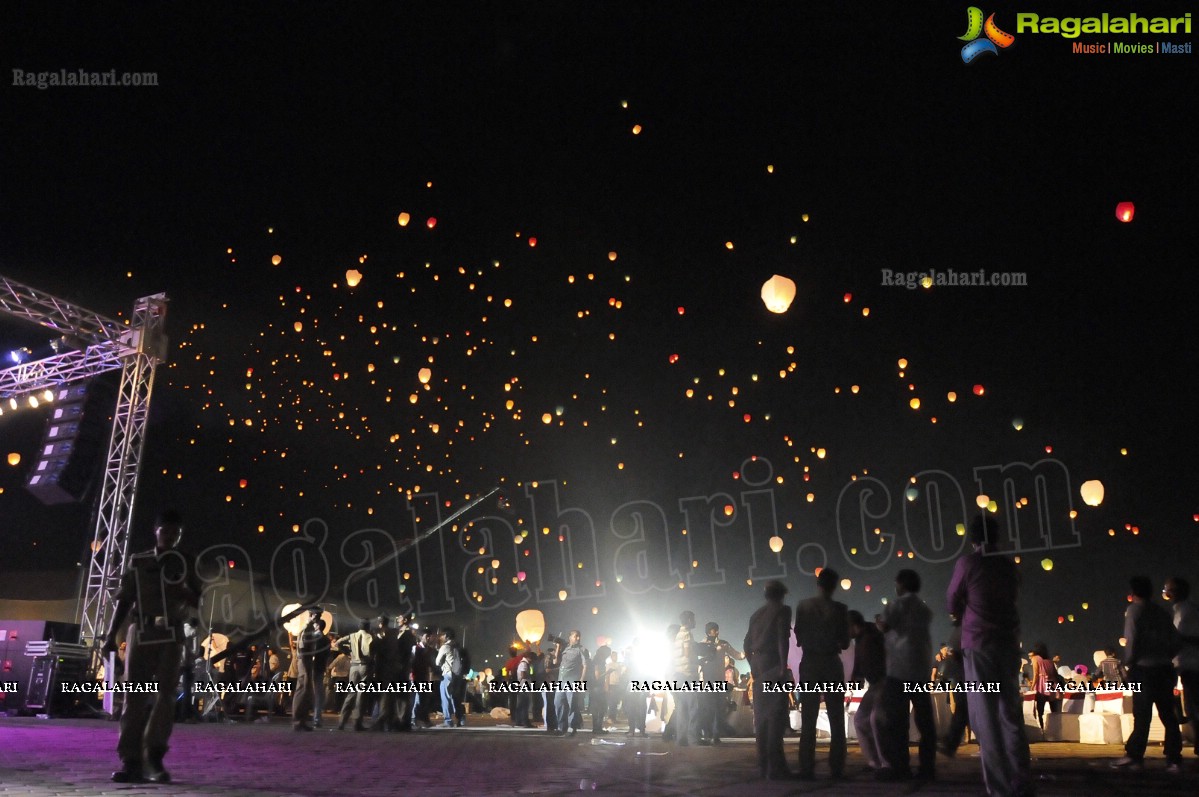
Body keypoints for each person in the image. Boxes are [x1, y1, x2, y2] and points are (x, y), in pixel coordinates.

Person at [101, 510, 201, 784]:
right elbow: (124, 599)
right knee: (134, 694)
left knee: (165, 696)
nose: (170, 537)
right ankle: (130, 760)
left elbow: (200, 599)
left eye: (175, 534)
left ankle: (154, 756)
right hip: (141, 629)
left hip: (171, 631)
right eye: (165, 531)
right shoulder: (139, 561)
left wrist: (186, 594)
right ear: (156, 531)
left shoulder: (185, 562)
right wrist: (110, 635)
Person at [947, 514, 1032, 797]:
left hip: (979, 644)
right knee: (1010, 713)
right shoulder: (1008, 565)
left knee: (986, 716)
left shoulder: (968, 563)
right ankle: (1021, 780)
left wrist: (961, 610)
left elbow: (951, 598)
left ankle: (999, 787)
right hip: (1007, 644)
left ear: (971, 537)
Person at [1111, 576, 1182, 772]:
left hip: (1143, 668)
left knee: (1142, 713)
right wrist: (1166, 655)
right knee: (1168, 714)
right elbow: (1176, 641)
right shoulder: (1162, 612)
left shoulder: (1134, 610)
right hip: (1164, 668)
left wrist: (1129, 662)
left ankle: (1135, 756)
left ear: (1133, 593)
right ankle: (1174, 758)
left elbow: (1131, 639)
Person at [876, 568, 935, 781]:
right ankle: (927, 767)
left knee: (898, 722)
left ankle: (901, 767)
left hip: (899, 670)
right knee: (924, 721)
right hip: (920, 670)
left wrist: (878, 622)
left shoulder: (896, 604)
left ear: (901, 584)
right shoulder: (924, 609)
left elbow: (884, 626)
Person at [794, 568, 850, 779]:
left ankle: (806, 767)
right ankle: (837, 768)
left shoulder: (803, 606)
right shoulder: (840, 609)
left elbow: (798, 636)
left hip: (809, 663)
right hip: (831, 664)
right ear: (834, 586)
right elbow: (845, 642)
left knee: (809, 718)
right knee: (836, 718)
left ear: (817, 583)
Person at [743, 580, 792, 780]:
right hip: (773, 664)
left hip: (758, 665)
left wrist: (753, 664)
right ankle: (775, 767)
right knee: (776, 717)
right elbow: (783, 638)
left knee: (761, 718)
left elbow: (746, 644)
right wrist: (783, 666)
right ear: (781, 594)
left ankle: (763, 765)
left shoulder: (757, 614)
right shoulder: (783, 610)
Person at [1164, 576, 1199, 768]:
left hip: (1191, 665)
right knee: (1191, 708)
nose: (1166, 594)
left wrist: (1174, 641)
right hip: (1187, 665)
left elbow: (1189, 638)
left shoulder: (1186, 612)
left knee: (1194, 708)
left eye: (1168, 590)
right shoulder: (1183, 610)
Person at [849, 609, 886, 772]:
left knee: (874, 721)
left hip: (884, 683)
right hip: (875, 684)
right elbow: (859, 666)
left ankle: (885, 763)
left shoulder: (873, 636)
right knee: (860, 720)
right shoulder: (861, 639)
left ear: (852, 625)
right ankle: (874, 761)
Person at [291, 606, 330, 730]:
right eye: (317, 616)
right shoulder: (307, 628)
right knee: (302, 689)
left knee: (306, 691)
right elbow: (302, 649)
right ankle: (298, 721)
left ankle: (302, 720)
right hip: (305, 661)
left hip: (306, 661)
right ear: (312, 615)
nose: (318, 618)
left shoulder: (308, 629)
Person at [335, 619, 374, 731]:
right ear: (368, 627)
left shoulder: (352, 636)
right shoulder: (370, 637)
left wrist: (347, 652)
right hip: (365, 666)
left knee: (351, 694)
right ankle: (357, 723)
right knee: (361, 695)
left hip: (353, 666)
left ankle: (341, 722)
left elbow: (337, 643)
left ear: (359, 626)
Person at [938, 622, 970, 756]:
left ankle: (951, 742)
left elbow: (954, 656)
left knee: (962, 709)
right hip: (966, 677)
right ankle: (951, 742)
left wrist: (945, 677)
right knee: (962, 710)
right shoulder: (966, 628)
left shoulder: (961, 630)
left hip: (964, 678)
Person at [672, 611, 700, 746]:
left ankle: (681, 739)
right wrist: (699, 659)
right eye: (693, 619)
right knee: (693, 707)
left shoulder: (678, 635)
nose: (695, 621)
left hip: (678, 674)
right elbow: (688, 653)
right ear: (689, 620)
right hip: (688, 675)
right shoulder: (687, 634)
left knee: (681, 708)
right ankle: (693, 738)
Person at [555, 629, 590, 736]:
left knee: (572, 705)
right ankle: (561, 727)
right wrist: (557, 647)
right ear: (570, 637)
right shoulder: (564, 648)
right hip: (561, 680)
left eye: (579, 636)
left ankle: (572, 728)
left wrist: (581, 681)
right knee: (558, 703)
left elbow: (585, 666)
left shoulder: (582, 649)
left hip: (572, 680)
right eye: (576, 636)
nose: (578, 638)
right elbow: (555, 661)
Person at [435, 628, 464, 727]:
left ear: (446, 636)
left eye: (442, 635)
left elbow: (437, 662)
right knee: (455, 697)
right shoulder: (458, 646)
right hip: (457, 675)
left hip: (447, 674)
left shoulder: (445, 646)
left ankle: (448, 720)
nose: (441, 637)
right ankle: (460, 719)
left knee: (446, 698)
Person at [1029, 642, 1059, 731]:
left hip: (1041, 685)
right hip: (1052, 685)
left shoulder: (1035, 659)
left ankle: (1042, 729)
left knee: (1040, 710)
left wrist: (1032, 686)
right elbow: (1055, 674)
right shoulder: (1050, 661)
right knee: (1054, 710)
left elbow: (1036, 674)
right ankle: (1055, 730)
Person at [590, 644, 612, 734]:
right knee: (600, 709)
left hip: (594, 687)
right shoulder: (599, 662)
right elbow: (597, 676)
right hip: (598, 687)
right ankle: (597, 728)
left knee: (596, 709)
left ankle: (596, 728)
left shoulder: (596, 660)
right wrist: (608, 673)